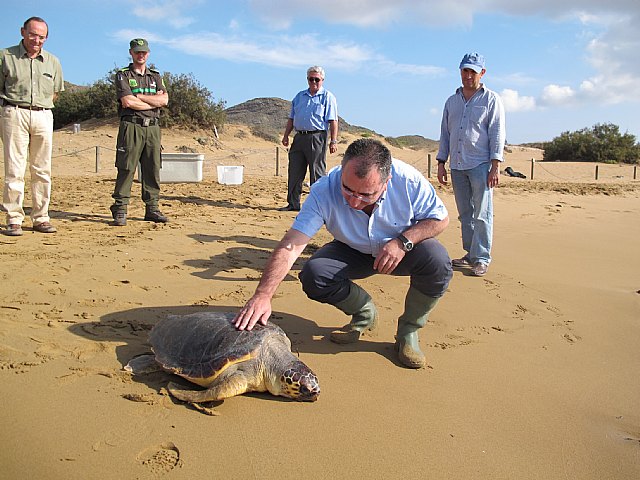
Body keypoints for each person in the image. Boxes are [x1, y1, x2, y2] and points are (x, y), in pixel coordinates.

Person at [235, 138, 452, 369]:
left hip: (401, 249)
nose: (355, 201)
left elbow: (440, 219)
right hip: (353, 249)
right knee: (314, 274)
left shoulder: (409, 181)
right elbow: (292, 244)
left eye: (367, 194)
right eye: (347, 190)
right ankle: (364, 313)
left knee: (437, 262)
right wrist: (263, 294)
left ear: (387, 182)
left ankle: (408, 332)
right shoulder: (324, 190)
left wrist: (403, 241)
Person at [436, 52, 506, 277]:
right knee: (465, 214)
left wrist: (495, 165)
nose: (467, 76)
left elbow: (497, 133)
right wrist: (441, 162)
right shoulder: (451, 101)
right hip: (457, 165)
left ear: (481, 73)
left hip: (480, 164)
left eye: (472, 72)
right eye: (464, 70)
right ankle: (470, 253)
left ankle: (482, 258)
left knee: (483, 214)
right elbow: (445, 134)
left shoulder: (491, 99)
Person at [1, 16, 64, 236]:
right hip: (14, 112)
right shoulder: (5, 56)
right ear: (22, 32)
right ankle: (14, 218)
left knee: (42, 169)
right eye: (33, 34)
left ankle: (41, 217)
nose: (37, 40)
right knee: (14, 168)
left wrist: (40, 110)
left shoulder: (53, 62)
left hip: (43, 114)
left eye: (42, 36)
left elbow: (55, 93)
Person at [109, 38, 169, 226]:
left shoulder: (156, 76)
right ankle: (120, 208)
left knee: (152, 168)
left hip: (152, 127)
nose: (140, 55)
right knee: (126, 167)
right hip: (131, 125)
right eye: (137, 52)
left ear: (148, 53)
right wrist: (152, 100)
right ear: (131, 53)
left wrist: (139, 96)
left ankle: (152, 208)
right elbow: (127, 102)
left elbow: (164, 100)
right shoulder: (123, 75)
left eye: (143, 52)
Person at [278, 66, 338, 212]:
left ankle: (318, 207)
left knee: (317, 173)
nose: (314, 82)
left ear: (322, 80)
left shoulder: (327, 97)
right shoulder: (299, 97)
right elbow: (291, 118)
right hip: (299, 138)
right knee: (295, 171)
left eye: (317, 79)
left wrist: (333, 140)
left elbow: (333, 120)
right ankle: (293, 204)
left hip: (317, 137)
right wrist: (286, 135)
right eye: (311, 79)